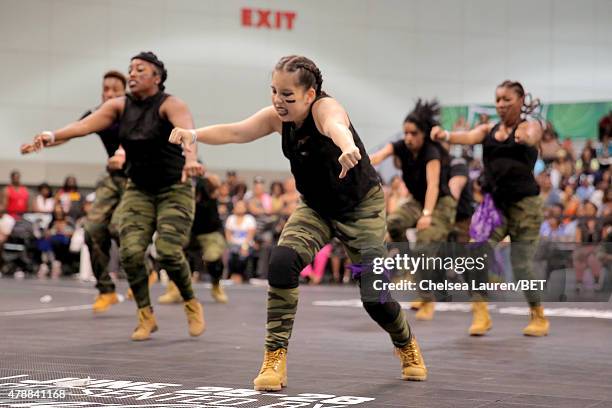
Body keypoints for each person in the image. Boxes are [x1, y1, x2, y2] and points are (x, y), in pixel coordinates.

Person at [168, 55, 426, 390]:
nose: (279, 101)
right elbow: (236, 131)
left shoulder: (324, 109)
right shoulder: (278, 118)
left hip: (361, 208)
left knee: (374, 297)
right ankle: (274, 357)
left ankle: (405, 343)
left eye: (288, 96)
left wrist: (347, 146)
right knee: (282, 262)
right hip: (316, 208)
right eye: (274, 91)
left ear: (310, 94)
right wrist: (193, 134)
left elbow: (337, 126)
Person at [25, 52, 205, 341]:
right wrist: (51, 135)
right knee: (131, 253)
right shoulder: (119, 106)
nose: (132, 74)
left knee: (169, 251)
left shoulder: (171, 104)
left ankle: (190, 302)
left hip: (175, 187)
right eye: (130, 69)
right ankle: (145, 316)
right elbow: (84, 126)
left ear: (156, 77)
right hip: (139, 189)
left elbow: (187, 133)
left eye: (140, 70)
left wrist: (191, 160)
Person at [431, 80, 550, 336]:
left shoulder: (529, 126)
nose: (501, 104)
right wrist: (446, 135)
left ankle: (538, 316)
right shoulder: (488, 130)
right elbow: (468, 136)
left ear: (520, 100)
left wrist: (526, 136)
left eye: (507, 99)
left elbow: (535, 133)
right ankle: (481, 314)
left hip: (525, 206)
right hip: (494, 206)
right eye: (497, 100)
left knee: (521, 264)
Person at [370, 99, 456, 321]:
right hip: (417, 200)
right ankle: (407, 262)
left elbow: (434, 185)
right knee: (392, 224)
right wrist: (361, 162)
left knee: (424, 246)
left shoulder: (432, 152)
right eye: (405, 133)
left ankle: (427, 299)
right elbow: (378, 156)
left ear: (424, 134)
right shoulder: (401, 146)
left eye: (413, 133)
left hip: (440, 203)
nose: (408, 138)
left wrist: (427, 215)